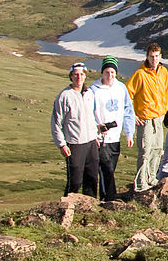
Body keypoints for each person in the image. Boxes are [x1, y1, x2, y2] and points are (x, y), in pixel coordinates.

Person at [126, 42, 168, 193]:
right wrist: (132, 114)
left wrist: (165, 110)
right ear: (147, 56)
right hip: (145, 118)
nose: (154, 59)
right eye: (151, 56)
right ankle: (140, 183)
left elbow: (166, 92)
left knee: (157, 149)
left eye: (157, 56)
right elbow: (127, 95)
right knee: (145, 150)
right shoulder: (140, 74)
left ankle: (152, 178)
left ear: (160, 56)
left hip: (158, 117)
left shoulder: (164, 72)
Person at [89, 56, 136, 202]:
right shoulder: (94, 90)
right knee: (106, 169)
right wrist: (95, 131)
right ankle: (109, 199)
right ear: (102, 72)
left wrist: (129, 133)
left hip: (115, 138)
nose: (110, 75)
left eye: (112, 72)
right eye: (107, 72)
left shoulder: (121, 88)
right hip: (101, 138)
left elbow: (128, 110)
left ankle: (103, 198)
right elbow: (89, 113)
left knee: (110, 169)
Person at [50, 61, 100, 196]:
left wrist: (96, 136)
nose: (79, 77)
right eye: (76, 75)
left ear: (85, 76)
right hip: (74, 144)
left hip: (91, 143)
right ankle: (67, 206)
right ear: (71, 76)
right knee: (75, 181)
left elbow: (93, 117)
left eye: (81, 74)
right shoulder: (64, 96)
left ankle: (89, 207)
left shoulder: (89, 93)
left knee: (92, 178)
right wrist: (61, 144)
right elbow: (56, 122)